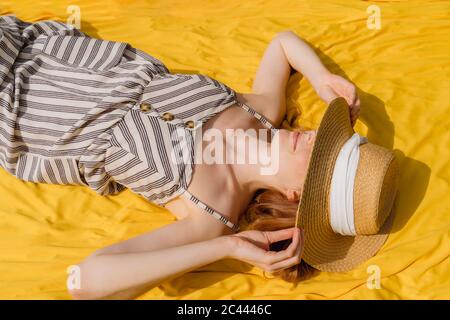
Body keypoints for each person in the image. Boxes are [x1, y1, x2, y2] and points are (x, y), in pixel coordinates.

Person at [0, 16, 366, 300]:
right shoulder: (263, 109)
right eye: (326, 134)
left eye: (320, 153)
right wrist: (321, 77)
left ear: (296, 195)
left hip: (31, 112)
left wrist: (227, 247)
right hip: (50, 53)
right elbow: (283, 43)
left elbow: (85, 282)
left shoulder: (211, 215)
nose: (315, 135)